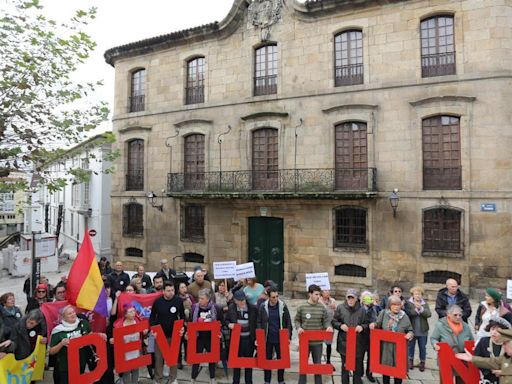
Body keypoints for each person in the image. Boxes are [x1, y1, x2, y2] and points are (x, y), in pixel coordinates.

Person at [49, 305, 106, 384]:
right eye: (69, 314)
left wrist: (99, 335)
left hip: (81, 363)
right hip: (65, 366)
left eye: (73, 312)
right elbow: (51, 351)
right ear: (63, 317)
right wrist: (61, 344)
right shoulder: (58, 330)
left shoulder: (83, 323)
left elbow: (91, 336)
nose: (73, 314)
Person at [370, 295, 414, 384]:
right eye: (394, 305)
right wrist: (373, 325)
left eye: (398, 305)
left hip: (399, 349)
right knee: (386, 370)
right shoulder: (383, 313)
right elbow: (377, 324)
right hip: (386, 348)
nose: (396, 307)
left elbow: (410, 330)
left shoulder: (404, 316)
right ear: (389, 305)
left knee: (398, 371)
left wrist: (410, 334)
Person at [295, 284, 333, 384]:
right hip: (305, 343)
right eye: (316, 294)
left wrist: (328, 326)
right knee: (303, 366)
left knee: (317, 366)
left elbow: (325, 321)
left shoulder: (322, 308)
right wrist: (299, 328)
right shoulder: (302, 307)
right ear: (310, 294)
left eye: (319, 295)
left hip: (317, 343)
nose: (318, 296)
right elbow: (297, 320)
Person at [150, 281, 185, 384]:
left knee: (173, 358)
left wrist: (183, 328)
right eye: (168, 291)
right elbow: (152, 318)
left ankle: (173, 378)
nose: (171, 292)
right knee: (159, 359)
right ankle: (158, 379)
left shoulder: (178, 301)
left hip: (174, 335)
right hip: (160, 335)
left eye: (173, 290)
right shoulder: (157, 302)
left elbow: (182, 316)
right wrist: (153, 329)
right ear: (163, 291)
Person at [332, 288, 369, 384]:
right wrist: (340, 326)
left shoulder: (362, 310)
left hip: (358, 344)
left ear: (356, 298)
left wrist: (362, 327)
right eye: (349, 297)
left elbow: (367, 324)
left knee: (357, 368)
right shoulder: (340, 308)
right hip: (344, 343)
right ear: (346, 298)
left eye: (352, 298)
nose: (350, 300)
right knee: (345, 368)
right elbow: (334, 321)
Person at [257, 286, 293, 384]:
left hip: (280, 338)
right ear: (268, 297)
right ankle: (267, 380)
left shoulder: (283, 306)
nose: (276, 299)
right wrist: (260, 335)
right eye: (273, 297)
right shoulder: (263, 307)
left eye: (277, 296)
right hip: (267, 338)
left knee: (281, 360)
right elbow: (259, 321)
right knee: (267, 360)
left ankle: (281, 380)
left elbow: (288, 322)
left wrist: (288, 336)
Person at [430, 304, 474, 384]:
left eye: (460, 315)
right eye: (455, 315)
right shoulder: (440, 325)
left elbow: (471, 340)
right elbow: (433, 338)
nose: (458, 317)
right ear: (448, 315)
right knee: (446, 380)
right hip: (446, 358)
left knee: (462, 381)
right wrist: (435, 344)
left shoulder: (466, 326)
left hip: (462, 359)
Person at [110, 304, 146, 384]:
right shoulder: (119, 325)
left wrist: (144, 332)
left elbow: (143, 335)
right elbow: (116, 339)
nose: (133, 313)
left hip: (136, 351)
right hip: (125, 352)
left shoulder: (138, 321)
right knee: (126, 371)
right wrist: (113, 340)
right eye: (130, 312)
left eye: (134, 311)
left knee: (135, 370)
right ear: (125, 314)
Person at [227, 290, 258, 384]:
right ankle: (235, 381)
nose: (242, 302)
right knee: (236, 363)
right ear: (235, 301)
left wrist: (257, 338)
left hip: (248, 339)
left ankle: (249, 382)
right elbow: (226, 320)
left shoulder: (252, 308)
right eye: (240, 300)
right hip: (236, 340)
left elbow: (257, 323)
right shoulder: (231, 308)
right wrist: (229, 325)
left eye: (243, 300)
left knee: (248, 363)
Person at [188, 289, 218, 384]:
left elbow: (219, 320)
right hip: (199, 337)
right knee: (196, 358)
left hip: (210, 337)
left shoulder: (215, 307)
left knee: (212, 359)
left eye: (202, 298)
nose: (200, 300)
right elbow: (190, 321)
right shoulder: (194, 308)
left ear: (208, 299)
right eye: (199, 298)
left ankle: (212, 378)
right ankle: (193, 378)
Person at [473, 318, 512, 384]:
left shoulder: (509, 344)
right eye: (492, 329)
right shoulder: (484, 342)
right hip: (488, 379)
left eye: (498, 330)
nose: (494, 332)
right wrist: (490, 372)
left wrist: (503, 371)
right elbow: (478, 358)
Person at [404, 286, 431, 371]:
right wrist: (416, 309)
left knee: (422, 347)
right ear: (413, 295)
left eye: (419, 294)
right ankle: (410, 361)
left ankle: (422, 362)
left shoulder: (424, 304)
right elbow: (409, 313)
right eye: (416, 294)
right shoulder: (408, 303)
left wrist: (421, 309)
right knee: (411, 346)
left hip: (423, 330)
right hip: (412, 330)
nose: (418, 296)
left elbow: (429, 314)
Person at [360, 291, 377, 382]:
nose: (367, 300)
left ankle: (369, 373)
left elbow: (376, 320)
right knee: (360, 355)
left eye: (369, 298)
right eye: (365, 298)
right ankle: (360, 372)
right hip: (361, 334)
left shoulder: (373, 309)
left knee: (371, 356)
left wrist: (374, 323)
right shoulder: (358, 308)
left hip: (371, 335)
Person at [319, 289, 337, 367]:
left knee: (329, 344)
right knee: (319, 344)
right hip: (320, 326)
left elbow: (336, 312)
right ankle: (318, 361)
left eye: (328, 291)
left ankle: (328, 361)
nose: (327, 293)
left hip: (330, 325)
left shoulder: (332, 300)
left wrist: (335, 307)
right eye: (325, 291)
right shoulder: (318, 300)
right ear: (321, 293)